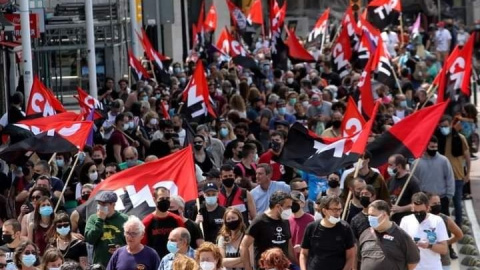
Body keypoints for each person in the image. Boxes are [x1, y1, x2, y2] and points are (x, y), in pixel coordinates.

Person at [240, 191, 297, 270]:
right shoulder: (259, 221)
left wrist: (298, 265)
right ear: (278, 206)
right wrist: (248, 267)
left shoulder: (285, 221)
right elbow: (244, 245)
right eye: (288, 207)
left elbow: (289, 248)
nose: (290, 210)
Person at [358, 200, 420, 269]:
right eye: (368, 215)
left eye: (373, 215)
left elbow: (413, 262)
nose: (370, 218)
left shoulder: (401, 236)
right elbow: (360, 258)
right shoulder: (365, 234)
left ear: (384, 215)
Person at [299, 195, 356, 270]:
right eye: (335, 210)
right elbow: (303, 253)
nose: (338, 213)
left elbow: (351, 256)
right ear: (324, 211)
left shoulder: (345, 228)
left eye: (340, 209)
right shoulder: (311, 227)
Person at [400, 192, 449, 270]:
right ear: (412, 208)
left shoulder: (437, 221)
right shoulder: (406, 220)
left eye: (421, 212)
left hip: (432, 267)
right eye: (416, 212)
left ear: (428, 208)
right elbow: (400, 246)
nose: (418, 214)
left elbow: (444, 249)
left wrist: (429, 245)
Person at [436, 116, 471, 226]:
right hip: (441, 177)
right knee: (442, 204)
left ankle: (459, 227)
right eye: (442, 127)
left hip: (457, 176)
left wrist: (468, 174)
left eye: (446, 126)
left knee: (457, 203)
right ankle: (444, 227)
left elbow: (467, 157)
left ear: (451, 125)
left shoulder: (460, 138)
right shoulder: (437, 139)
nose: (444, 128)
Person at [85, 191, 128, 267]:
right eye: (99, 203)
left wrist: (121, 248)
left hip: (120, 263)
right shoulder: (93, 218)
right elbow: (90, 239)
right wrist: (100, 220)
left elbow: (132, 241)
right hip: (100, 265)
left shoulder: (124, 219)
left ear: (113, 204)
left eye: (104, 204)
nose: (100, 206)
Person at [414, 136, 455, 216]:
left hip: (441, 200)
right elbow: (414, 183)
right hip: (424, 201)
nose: (434, 149)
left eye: (436, 147)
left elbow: (450, 179)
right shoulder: (416, 163)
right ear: (426, 146)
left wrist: (448, 196)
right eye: (432, 147)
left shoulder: (444, 161)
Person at [142, 187, 184, 258]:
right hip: (155, 261)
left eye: (167, 198)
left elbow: (183, 242)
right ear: (154, 200)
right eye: (161, 199)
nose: (165, 201)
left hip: (175, 260)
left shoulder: (177, 220)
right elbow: (143, 245)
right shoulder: (146, 222)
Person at [427, 193, 464, 267]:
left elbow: (459, 235)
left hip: (443, 261)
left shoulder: (445, 219)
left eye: (439, 203)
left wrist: (446, 243)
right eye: (434, 203)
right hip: (426, 260)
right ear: (427, 206)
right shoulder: (421, 219)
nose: (437, 205)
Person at [387, 154, 421, 224]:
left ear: (398, 166)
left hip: (405, 220)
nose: (388, 167)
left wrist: (401, 209)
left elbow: (417, 203)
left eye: (390, 165)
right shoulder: (391, 180)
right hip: (392, 219)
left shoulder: (412, 181)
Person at [288, 191, 314, 261]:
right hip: (292, 262)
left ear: (303, 203)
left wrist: (303, 248)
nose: (292, 203)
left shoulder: (311, 220)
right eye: (291, 201)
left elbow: (316, 242)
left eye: (296, 201)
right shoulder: (286, 221)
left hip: (307, 261)